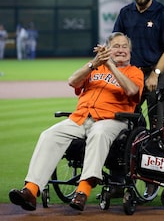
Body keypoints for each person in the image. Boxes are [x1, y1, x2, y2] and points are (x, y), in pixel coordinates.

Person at [8, 32, 144, 212]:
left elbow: (132, 91)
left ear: (130, 51)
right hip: (81, 117)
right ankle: (31, 191)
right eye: (116, 46)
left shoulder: (135, 72)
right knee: (50, 134)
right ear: (107, 49)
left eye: (124, 46)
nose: (121, 50)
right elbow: (73, 81)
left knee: (99, 132)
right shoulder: (95, 68)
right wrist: (93, 64)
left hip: (113, 120)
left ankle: (83, 191)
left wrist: (110, 65)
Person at [112, 0, 164, 201]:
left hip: (155, 78)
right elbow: (116, 44)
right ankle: (120, 180)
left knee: (157, 131)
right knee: (123, 129)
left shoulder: (162, 13)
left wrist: (155, 74)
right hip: (130, 78)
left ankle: (152, 180)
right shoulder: (125, 13)